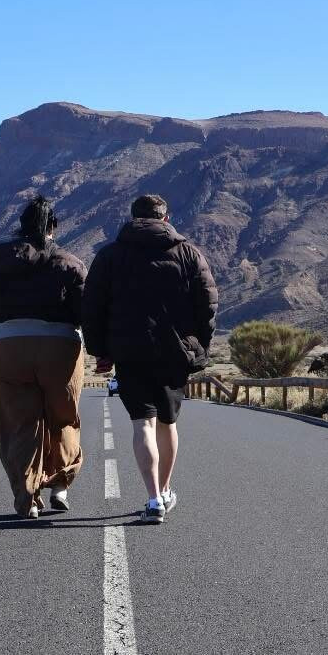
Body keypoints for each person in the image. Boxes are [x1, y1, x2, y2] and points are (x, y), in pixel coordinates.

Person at [82, 194, 218, 524]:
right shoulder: (188, 253)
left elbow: (92, 307)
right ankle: (166, 489)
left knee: (143, 423)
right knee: (168, 423)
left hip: (130, 352)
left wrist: (101, 352)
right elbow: (208, 302)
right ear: (165, 218)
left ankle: (154, 497)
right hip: (173, 352)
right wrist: (199, 346)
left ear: (132, 217)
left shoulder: (110, 255)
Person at [0, 196, 87, 519]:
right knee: (62, 414)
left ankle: (27, 498)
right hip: (60, 347)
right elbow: (84, 309)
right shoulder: (70, 263)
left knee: (19, 421)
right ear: (53, 227)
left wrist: (4, 327)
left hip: (9, 345)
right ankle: (60, 484)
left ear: (20, 226)